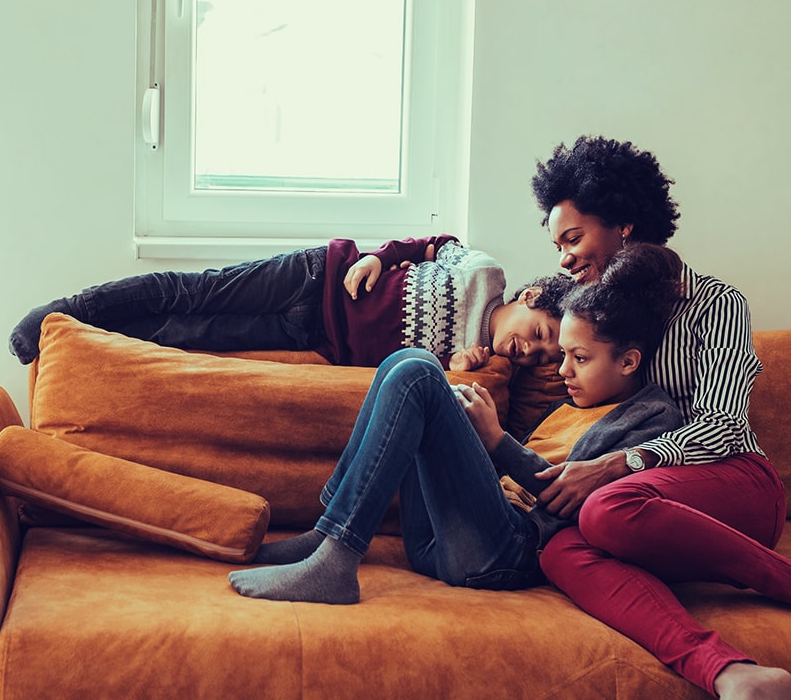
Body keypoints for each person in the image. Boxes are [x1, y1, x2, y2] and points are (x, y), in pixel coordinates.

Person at [529, 134, 791, 700]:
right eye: (557, 245)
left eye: (572, 239)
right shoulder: (606, 316)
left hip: (737, 484)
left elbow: (725, 424)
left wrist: (617, 465)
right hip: (654, 511)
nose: (563, 258)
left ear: (624, 224)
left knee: (606, 508)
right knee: (560, 547)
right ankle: (733, 677)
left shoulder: (716, 303)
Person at [228, 243, 684, 607]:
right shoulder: (572, 400)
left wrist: (496, 441)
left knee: (420, 375)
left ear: (629, 361)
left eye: (579, 358)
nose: (562, 370)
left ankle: (336, 560)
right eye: (562, 353)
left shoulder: (652, 418)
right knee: (409, 360)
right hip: (444, 539)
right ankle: (329, 531)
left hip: (506, 551)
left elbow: (581, 507)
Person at [9, 235, 573, 371]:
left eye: (546, 357)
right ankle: (66, 311)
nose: (534, 350)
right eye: (543, 334)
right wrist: (378, 256)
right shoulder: (485, 275)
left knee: (189, 335)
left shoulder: (477, 361)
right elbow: (431, 243)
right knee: (195, 291)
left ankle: (79, 342)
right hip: (316, 278)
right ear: (529, 297)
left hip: (312, 336)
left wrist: (464, 368)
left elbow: (422, 381)